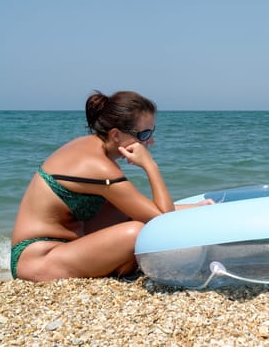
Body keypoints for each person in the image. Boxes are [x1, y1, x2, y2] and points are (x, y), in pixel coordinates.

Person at [11, 90, 213, 281]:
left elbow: (136, 211)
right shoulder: (98, 166)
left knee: (124, 216)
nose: (150, 141)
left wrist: (195, 208)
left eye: (151, 132)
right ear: (116, 135)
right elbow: (161, 222)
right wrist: (151, 166)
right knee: (136, 231)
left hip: (64, 249)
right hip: (38, 260)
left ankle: (119, 265)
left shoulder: (92, 148)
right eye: (143, 134)